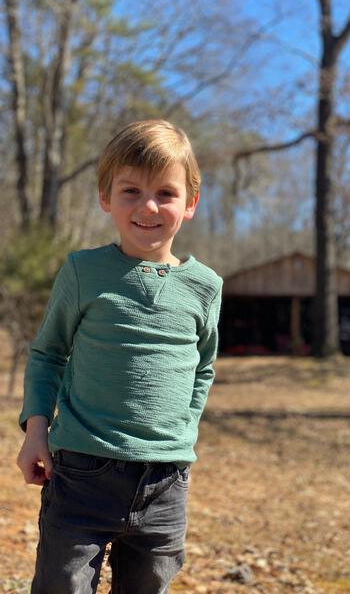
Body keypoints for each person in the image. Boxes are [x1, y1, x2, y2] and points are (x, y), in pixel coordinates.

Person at [16, 119, 223, 594]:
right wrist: (35, 430)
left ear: (191, 203)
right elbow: (48, 353)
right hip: (83, 470)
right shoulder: (84, 271)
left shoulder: (206, 286)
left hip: (165, 479)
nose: (148, 206)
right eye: (130, 190)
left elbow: (204, 366)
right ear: (105, 197)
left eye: (166, 193)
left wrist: (184, 427)